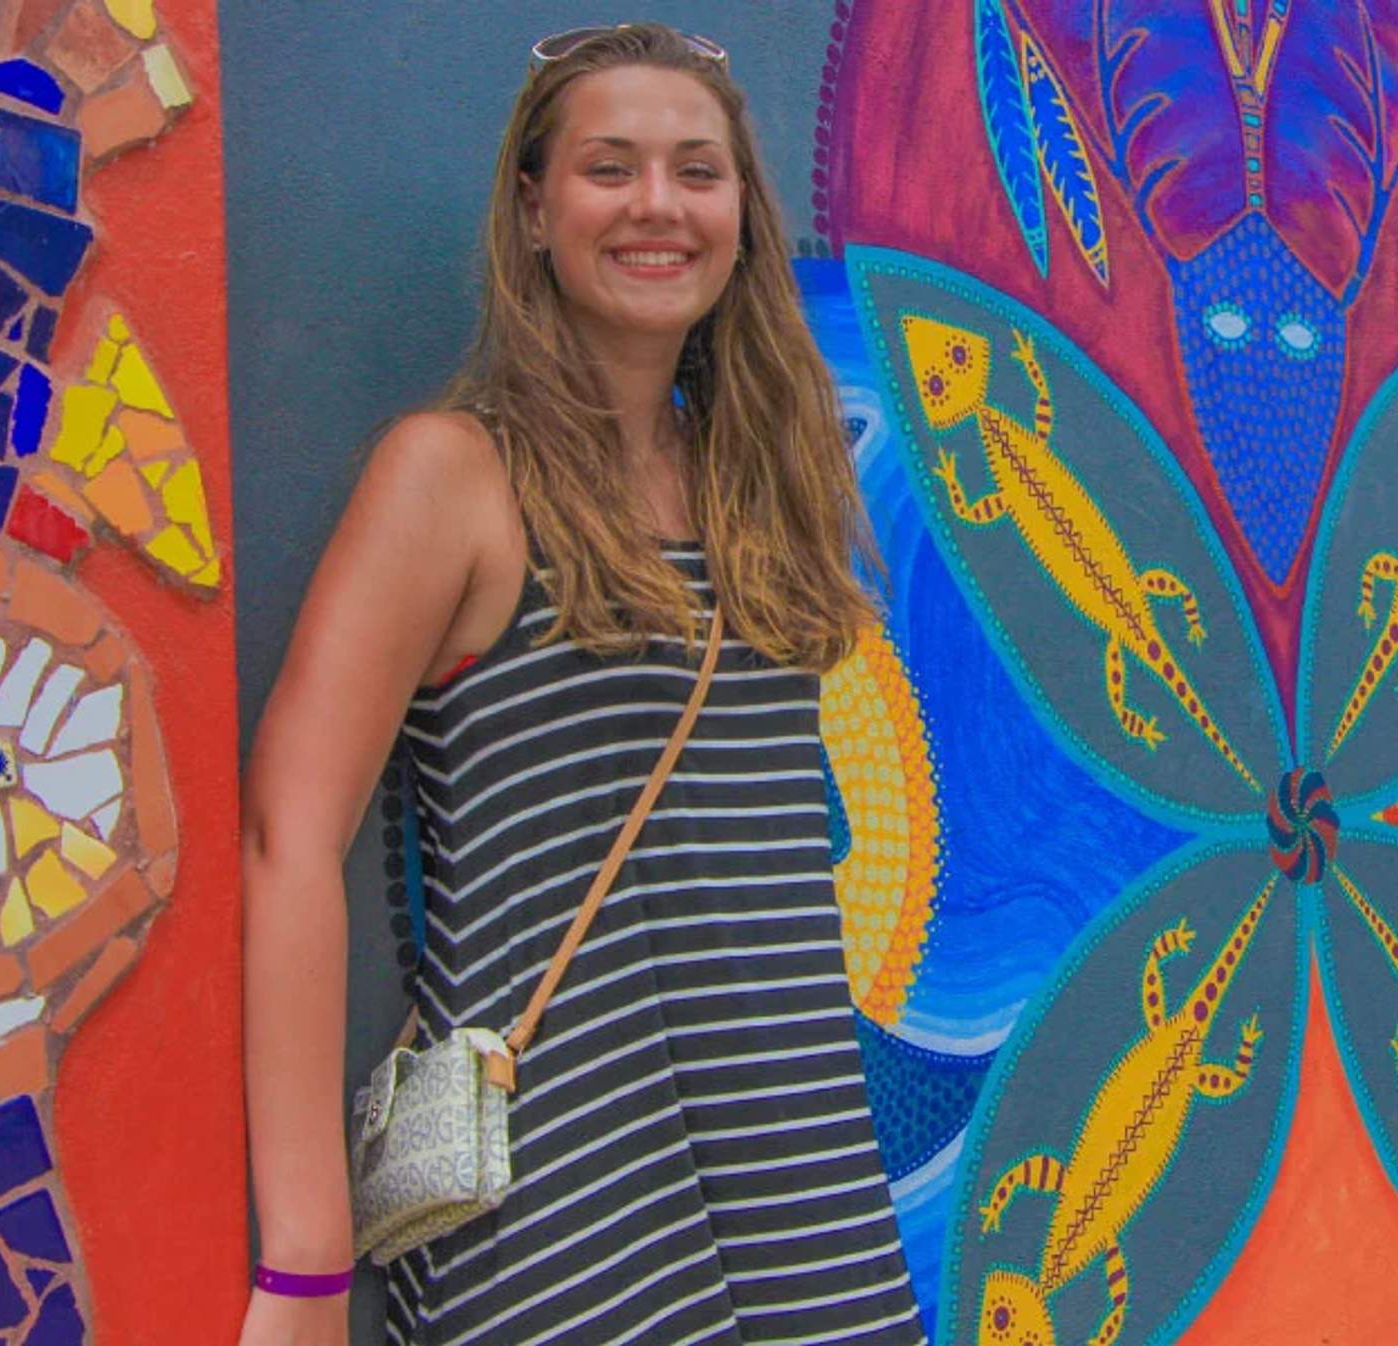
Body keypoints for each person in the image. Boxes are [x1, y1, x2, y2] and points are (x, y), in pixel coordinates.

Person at [237, 23, 926, 1346]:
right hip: (566, 1203)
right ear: (534, 207)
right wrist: (308, 1260)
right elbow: (288, 838)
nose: (658, 205)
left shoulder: (770, 497)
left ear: (742, 211)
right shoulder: (452, 477)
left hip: (804, 1186)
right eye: (610, 168)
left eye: (697, 171)